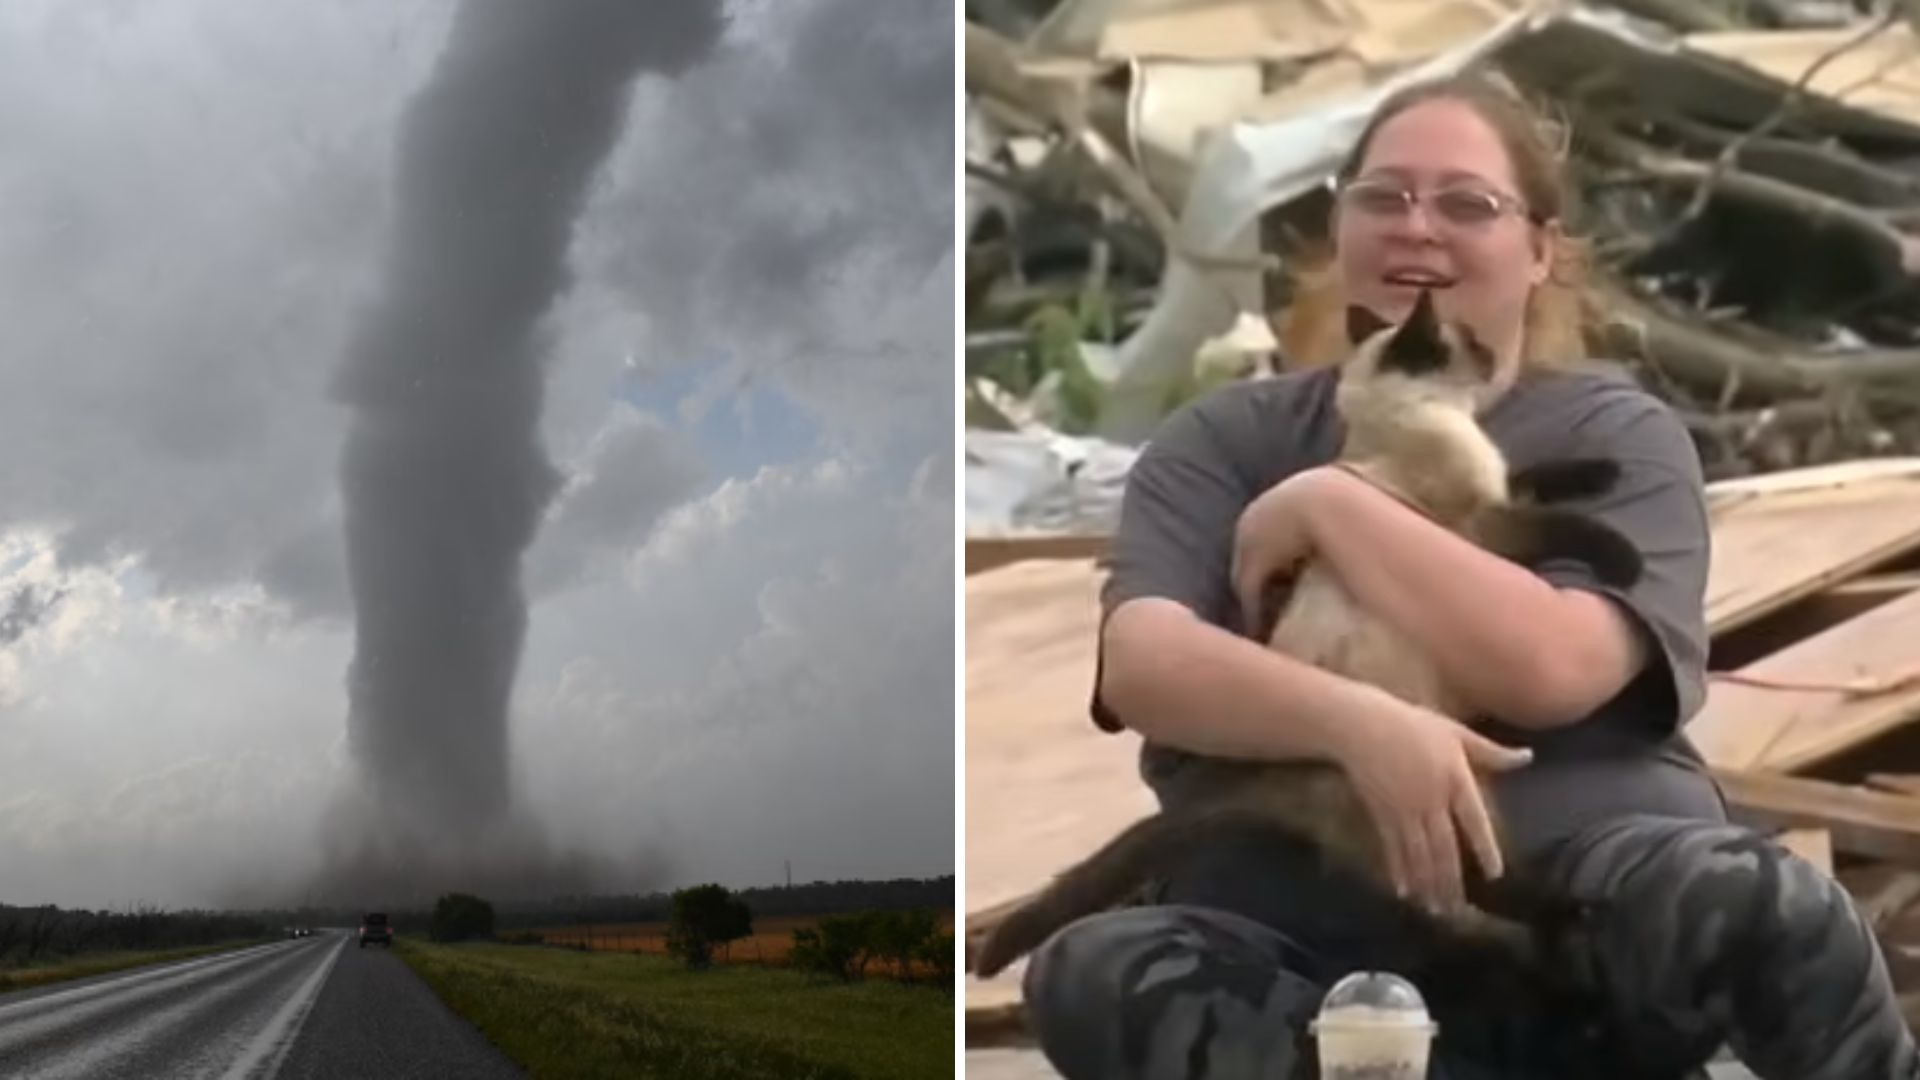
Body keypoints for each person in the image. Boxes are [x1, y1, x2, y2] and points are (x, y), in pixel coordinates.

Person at [1018, 69, 1919, 1079]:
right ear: (1338, 230)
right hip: (1295, 928)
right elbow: (1146, 665)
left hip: (1578, 905)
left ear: (1539, 251)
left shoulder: (1614, 433)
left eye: (1466, 204)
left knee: (1769, 903)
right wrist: (1360, 727)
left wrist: (1334, 506)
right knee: (1095, 969)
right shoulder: (1224, 440)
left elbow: (1552, 667)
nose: (1418, 227)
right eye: (1383, 197)